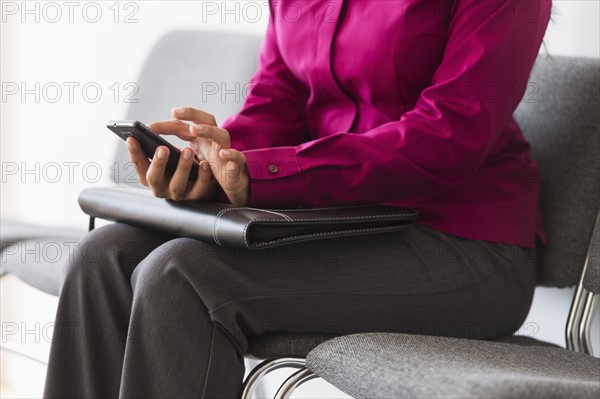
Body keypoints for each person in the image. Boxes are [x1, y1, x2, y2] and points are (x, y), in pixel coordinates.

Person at [44, 0, 552, 397]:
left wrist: (269, 173)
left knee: (182, 277)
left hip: (462, 244)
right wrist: (215, 162)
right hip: (330, 221)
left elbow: (450, 138)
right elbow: (278, 99)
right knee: (101, 257)